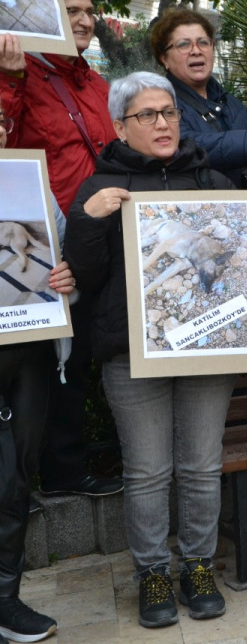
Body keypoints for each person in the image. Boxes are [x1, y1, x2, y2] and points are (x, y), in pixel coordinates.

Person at [64, 72, 247, 628]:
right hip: (130, 356)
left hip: (208, 351)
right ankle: (152, 573)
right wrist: (88, 223)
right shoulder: (100, 189)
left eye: (169, 112)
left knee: (200, 466)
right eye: (148, 115)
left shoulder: (214, 181)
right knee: (146, 471)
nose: (163, 123)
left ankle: (197, 565)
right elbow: (86, 280)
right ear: (120, 125)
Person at [0, 0, 122, 500]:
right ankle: (64, 471)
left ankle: (97, 457)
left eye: (88, 11)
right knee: (63, 357)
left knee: (100, 347)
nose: (83, 20)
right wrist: (9, 80)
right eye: (70, 10)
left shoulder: (97, 83)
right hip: (51, 239)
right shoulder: (17, 71)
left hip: (105, 234)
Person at [0, 109, 74, 643]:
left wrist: (65, 277)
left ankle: (5, 600)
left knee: (14, 477)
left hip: (27, 350)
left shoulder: (32, 186)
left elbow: (57, 256)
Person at [149, 8, 247, 186]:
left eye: (203, 42)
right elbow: (185, 146)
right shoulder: (159, 104)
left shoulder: (230, 102)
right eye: (183, 44)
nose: (196, 51)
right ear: (164, 58)